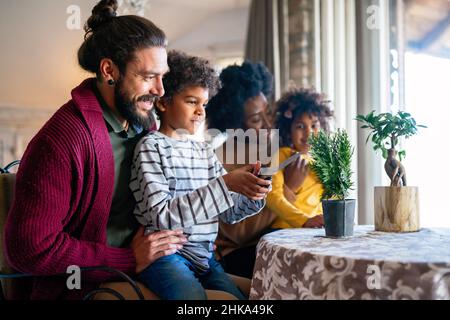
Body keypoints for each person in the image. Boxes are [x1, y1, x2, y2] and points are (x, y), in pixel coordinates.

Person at [3, 0, 187, 300]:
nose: (160, 90)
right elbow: (29, 248)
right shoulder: (63, 139)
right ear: (109, 70)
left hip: (153, 267)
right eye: (148, 76)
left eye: (162, 76)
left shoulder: (145, 126)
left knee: (248, 293)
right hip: (85, 288)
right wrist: (128, 259)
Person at [130, 51, 271, 300]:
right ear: (163, 103)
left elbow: (229, 212)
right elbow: (162, 216)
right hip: (167, 257)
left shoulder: (203, 151)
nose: (200, 111)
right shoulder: (151, 147)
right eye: (191, 101)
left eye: (204, 104)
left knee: (241, 300)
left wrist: (253, 193)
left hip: (204, 258)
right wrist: (224, 184)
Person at [206, 61, 276, 279]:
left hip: (268, 242)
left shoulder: (270, 149)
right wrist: (287, 191)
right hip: (238, 254)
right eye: (256, 119)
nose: (267, 123)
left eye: (268, 112)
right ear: (234, 124)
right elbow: (235, 231)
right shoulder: (221, 158)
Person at [266, 88, 333, 229]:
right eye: (300, 126)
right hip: (285, 230)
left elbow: (332, 199)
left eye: (314, 125)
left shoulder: (324, 163)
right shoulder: (282, 155)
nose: (308, 132)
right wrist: (304, 220)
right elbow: (272, 196)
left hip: (315, 230)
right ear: (288, 130)